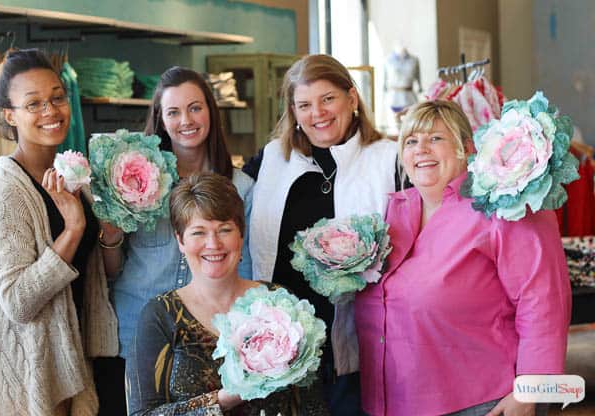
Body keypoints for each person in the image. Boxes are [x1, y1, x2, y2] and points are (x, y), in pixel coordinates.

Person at [354, 100, 571, 416]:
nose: (421, 149)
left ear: (467, 147)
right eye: (411, 141)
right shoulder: (391, 212)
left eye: (435, 139)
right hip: (392, 402)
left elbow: (542, 299)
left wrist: (532, 391)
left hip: (481, 401)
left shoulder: (500, 207)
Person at [0, 49, 118, 415]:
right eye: (33, 104)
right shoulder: (3, 191)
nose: (51, 111)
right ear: (8, 115)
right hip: (28, 371)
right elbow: (18, 302)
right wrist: (74, 228)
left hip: (74, 358)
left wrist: (110, 230)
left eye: (57, 98)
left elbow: (105, 271)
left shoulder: (74, 175)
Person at [244, 54, 397, 415]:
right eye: (304, 105)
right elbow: (216, 206)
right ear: (293, 112)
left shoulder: (389, 160)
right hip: (282, 345)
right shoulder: (269, 160)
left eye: (328, 98)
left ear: (352, 98)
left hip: (362, 344)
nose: (318, 113)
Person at [104, 66, 254, 401]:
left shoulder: (241, 188)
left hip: (211, 338)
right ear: (160, 118)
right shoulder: (132, 182)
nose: (186, 120)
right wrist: (109, 234)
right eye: (174, 111)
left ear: (210, 112)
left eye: (195, 108)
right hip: (137, 331)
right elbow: (112, 268)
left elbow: (244, 272)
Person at [125, 172, 328, 415]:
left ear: (241, 235)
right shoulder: (159, 315)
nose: (213, 244)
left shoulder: (279, 302)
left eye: (224, 230)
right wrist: (225, 398)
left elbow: (312, 405)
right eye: (198, 232)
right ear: (180, 240)